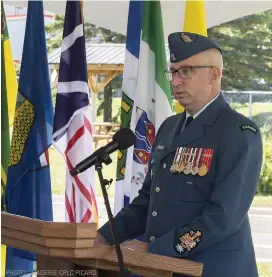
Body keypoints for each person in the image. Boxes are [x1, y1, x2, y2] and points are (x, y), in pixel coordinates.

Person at [95, 32, 263, 277]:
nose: (175, 81)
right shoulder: (169, 127)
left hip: (211, 269)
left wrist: (156, 249)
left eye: (186, 72)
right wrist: (105, 235)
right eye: (173, 72)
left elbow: (223, 217)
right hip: (163, 268)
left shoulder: (238, 131)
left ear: (214, 75)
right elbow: (147, 202)